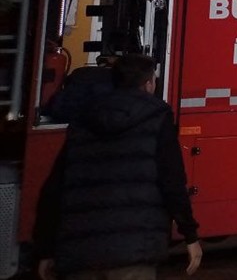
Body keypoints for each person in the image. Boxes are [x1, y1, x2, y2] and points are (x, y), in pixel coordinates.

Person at [34, 54, 202, 280]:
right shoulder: (157, 117)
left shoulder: (83, 118)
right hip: (134, 251)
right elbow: (172, 183)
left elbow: (53, 190)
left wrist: (45, 249)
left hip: (80, 253)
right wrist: (190, 235)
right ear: (149, 83)